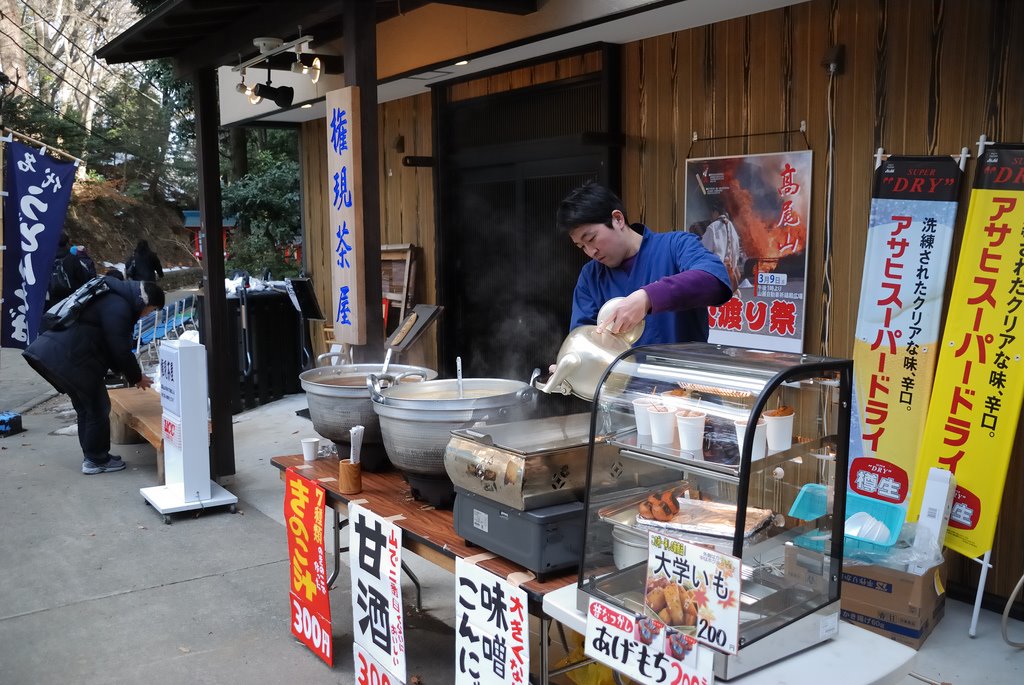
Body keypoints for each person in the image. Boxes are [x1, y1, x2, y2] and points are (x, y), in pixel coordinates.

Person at [556, 182, 732, 346]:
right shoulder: (591, 276)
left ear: (618, 219)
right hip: (620, 379)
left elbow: (714, 280)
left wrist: (648, 297)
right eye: (582, 246)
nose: (591, 252)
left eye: (591, 239)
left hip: (684, 377)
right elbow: (583, 339)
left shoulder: (675, 245)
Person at [23, 278, 165, 474]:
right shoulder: (118, 305)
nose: (146, 315)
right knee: (97, 408)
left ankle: (94, 456)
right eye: (150, 310)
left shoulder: (114, 299)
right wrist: (136, 376)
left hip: (67, 358)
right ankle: (96, 460)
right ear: (145, 301)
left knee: (87, 408)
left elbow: (112, 346)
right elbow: (119, 348)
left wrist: (129, 373)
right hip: (72, 360)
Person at [47, 232, 97, 304]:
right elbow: (81, 276)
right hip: (69, 293)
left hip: (52, 290)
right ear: (67, 243)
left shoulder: (48, 257)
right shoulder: (72, 258)